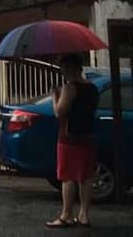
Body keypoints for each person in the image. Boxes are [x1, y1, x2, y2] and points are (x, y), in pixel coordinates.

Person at [46, 53, 97, 229]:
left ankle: (66, 215)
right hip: (88, 136)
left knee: (67, 176)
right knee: (86, 176)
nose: (63, 72)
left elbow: (59, 112)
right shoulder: (92, 88)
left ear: (71, 69)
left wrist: (55, 96)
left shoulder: (70, 88)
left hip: (69, 137)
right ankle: (83, 215)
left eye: (64, 69)